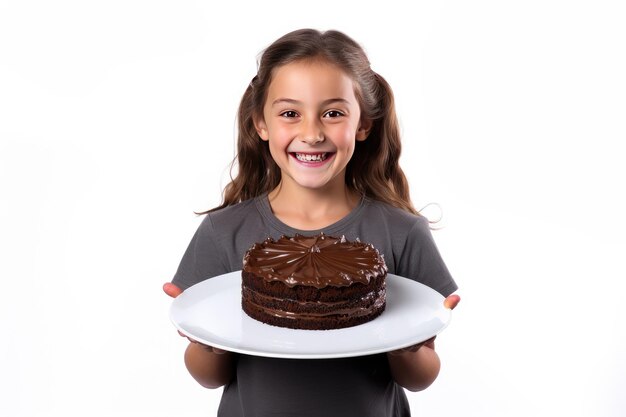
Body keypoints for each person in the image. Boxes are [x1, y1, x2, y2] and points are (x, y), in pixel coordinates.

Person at [163, 28, 460, 417]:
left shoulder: (402, 233)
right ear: (260, 124)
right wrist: (206, 341)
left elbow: (420, 377)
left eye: (333, 113)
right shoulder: (224, 233)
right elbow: (209, 377)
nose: (312, 133)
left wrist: (408, 345)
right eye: (290, 113)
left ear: (363, 124)